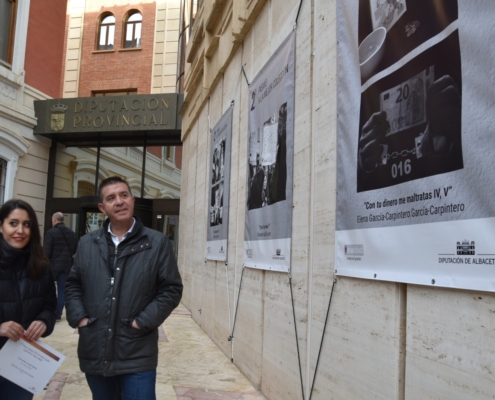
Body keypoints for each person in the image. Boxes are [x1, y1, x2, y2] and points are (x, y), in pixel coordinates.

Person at [65, 176, 183, 400]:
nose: (119, 201)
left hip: (137, 350)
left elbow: (171, 289)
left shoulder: (157, 243)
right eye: (111, 198)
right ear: (102, 207)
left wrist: (143, 322)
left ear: (133, 200)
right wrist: (80, 318)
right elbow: (73, 284)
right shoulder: (87, 243)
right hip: (95, 349)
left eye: (123, 195)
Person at [0, 199, 57, 400]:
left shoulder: (41, 266)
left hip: (20, 365)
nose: (20, 230)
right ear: (1, 226)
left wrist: (43, 321)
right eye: (13, 223)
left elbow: (50, 306)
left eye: (26, 224)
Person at [43, 212, 77, 321]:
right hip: (66, 265)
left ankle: (48, 311)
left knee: (48, 289)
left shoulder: (51, 232)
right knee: (62, 290)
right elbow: (74, 249)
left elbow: (46, 252)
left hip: (53, 266)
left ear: (54, 220)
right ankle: (58, 314)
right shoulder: (71, 233)